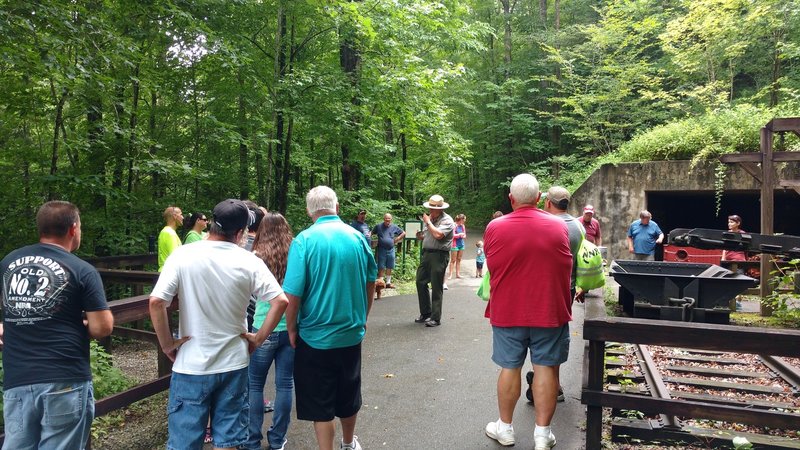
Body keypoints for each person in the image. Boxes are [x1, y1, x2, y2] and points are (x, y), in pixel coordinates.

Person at [149, 199, 289, 450]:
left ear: (213, 224)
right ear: (239, 233)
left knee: (184, 443)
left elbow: (157, 301)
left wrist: (167, 344)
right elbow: (280, 301)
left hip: (191, 364)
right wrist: (257, 339)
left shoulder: (183, 255)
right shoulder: (249, 260)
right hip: (233, 364)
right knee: (228, 442)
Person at [1, 201, 115, 450]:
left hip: (17, 379)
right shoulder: (82, 269)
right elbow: (102, 327)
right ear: (73, 229)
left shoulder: (8, 262)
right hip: (64, 378)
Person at [283, 186, 377, 450]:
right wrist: (364, 315)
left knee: (320, 402)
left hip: (314, 337)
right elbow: (371, 280)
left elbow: (293, 294)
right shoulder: (357, 237)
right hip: (350, 333)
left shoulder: (304, 240)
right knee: (349, 393)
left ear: (308, 211)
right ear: (336, 207)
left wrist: (292, 329)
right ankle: (348, 444)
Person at [483, 174, 572, 450]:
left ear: (511, 199)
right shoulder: (558, 227)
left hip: (508, 311)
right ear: (539, 198)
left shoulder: (495, 227)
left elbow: (493, 266)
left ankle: (506, 429)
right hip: (549, 310)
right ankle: (542, 435)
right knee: (545, 368)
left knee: (510, 367)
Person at [245, 213, 295, 450]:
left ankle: (252, 439)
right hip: (291, 327)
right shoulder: (296, 252)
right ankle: (277, 440)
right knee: (285, 384)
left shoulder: (256, 256)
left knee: (254, 385)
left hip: (264, 326)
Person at [414, 194, 455, 327]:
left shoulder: (447, 220)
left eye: (433, 208)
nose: (430, 211)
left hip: (439, 255)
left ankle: (435, 317)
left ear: (440, 209)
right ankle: (425, 312)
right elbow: (427, 234)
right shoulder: (431, 218)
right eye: (430, 208)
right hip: (426, 254)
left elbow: (438, 235)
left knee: (436, 286)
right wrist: (420, 235)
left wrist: (428, 222)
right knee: (420, 281)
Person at [371, 213, 406, 288]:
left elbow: (403, 233)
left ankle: (388, 283)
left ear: (391, 219)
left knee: (390, 265)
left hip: (391, 249)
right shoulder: (378, 226)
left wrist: (397, 239)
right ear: (384, 219)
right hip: (381, 248)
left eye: (389, 218)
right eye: (386, 218)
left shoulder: (394, 227)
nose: (387, 220)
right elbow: (371, 233)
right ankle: (380, 283)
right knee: (381, 265)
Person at [158, 205, 183, 271]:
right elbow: (176, 257)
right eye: (181, 214)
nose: (182, 217)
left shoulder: (165, 231)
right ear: (175, 216)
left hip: (165, 271)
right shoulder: (170, 233)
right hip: (170, 272)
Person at [448, 214, 467, 280]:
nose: (465, 220)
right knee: (453, 260)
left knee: (459, 259)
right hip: (454, 244)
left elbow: (465, 235)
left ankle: (458, 274)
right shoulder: (454, 225)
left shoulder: (463, 226)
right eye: (464, 219)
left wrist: (463, 236)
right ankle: (450, 274)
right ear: (461, 219)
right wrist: (459, 235)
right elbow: (452, 235)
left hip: (461, 244)